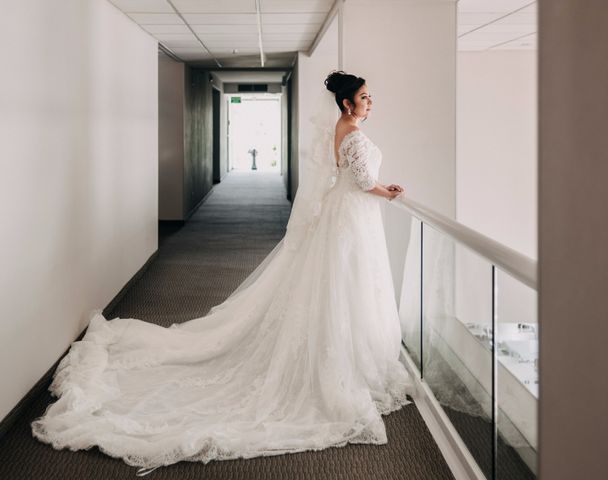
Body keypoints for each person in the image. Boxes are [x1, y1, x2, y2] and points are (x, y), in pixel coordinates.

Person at [31, 70, 414, 476]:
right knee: (345, 287)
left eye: (369, 97)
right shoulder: (351, 133)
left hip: (345, 216)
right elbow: (363, 179)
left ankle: (341, 354)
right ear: (346, 103)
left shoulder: (342, 128)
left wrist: (376, 189)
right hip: (351, 217)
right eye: (366, 97)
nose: (371, 103)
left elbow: (350, 178)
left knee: (340, 288)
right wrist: (387, 192)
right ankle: (341, 364)